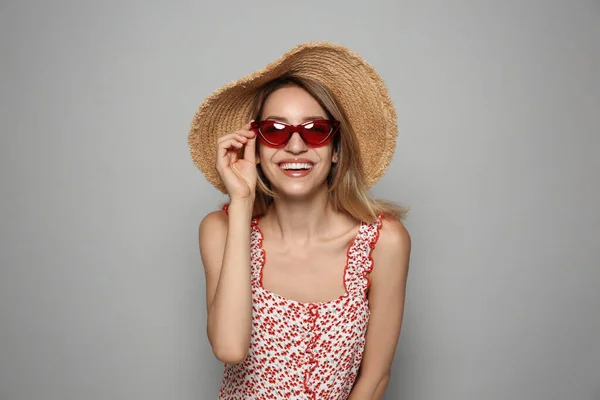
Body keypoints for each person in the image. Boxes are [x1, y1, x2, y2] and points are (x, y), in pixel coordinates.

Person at [188, 42, 411, 400]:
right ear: (255, 149)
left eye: (315, 130)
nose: (295, 146)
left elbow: (375, 380)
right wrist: (242, 199)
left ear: (336, 149)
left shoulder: (385, 241)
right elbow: (230, 348)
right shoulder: (220, 230)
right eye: (275, 131)